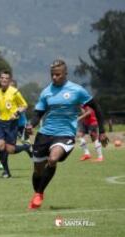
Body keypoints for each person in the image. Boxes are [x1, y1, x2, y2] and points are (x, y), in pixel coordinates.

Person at [25, 59, 109, 210]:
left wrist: (102, 131)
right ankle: (37, 194)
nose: (54, 77)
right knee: (38, 170)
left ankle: (39, 194)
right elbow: (38, 113)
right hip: (44, 134)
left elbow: (96, 107)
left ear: (65, 74)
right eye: (52, 75)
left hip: (65, 134)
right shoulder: (46, 92)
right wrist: (31, 124)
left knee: (53, 159)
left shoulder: (77, 90)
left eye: (57, 74)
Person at [0, 71, 32, 178]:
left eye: (6, 78)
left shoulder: (15, 92)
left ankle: (26, 147)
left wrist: (16, 112)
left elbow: (24, 105)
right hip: (1, 123)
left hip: (12, 123)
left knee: (10, 149)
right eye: (2, 78)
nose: (4, 80)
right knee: (0, 146)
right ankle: (6, 171)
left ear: (9, 80)